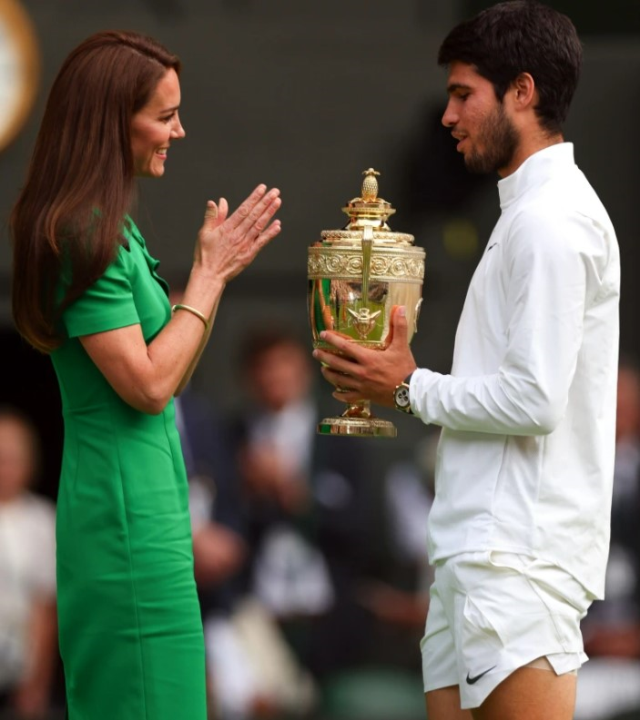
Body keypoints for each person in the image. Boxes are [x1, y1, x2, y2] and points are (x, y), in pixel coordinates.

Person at [312, 3, 620, 720]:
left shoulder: (549, 221)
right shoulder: (525, 214)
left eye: (463, 94)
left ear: (523, 91)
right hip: (477, 556)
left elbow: (535, 400)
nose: (447, 116)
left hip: (515, 561)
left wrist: (409, 386)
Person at [10, 31, 282, 720]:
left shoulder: (111, 228)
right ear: (111, 120)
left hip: (148, 507)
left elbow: (170, 370)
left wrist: (211, 279)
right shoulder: (81, 230)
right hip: (122, 512)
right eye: (165, 116)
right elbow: (151, 384)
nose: (180, 130)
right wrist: (209, 277)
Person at [0, 408, 58, 720]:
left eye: (12, 457)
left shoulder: (42, 520)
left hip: (19, 667)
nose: (5, 467)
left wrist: (36, 683)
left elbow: (45, 606)